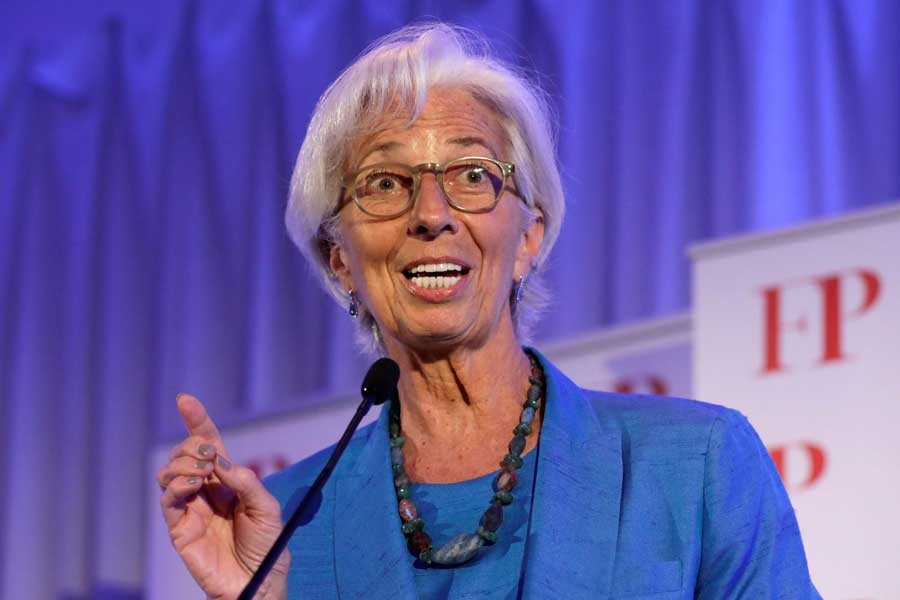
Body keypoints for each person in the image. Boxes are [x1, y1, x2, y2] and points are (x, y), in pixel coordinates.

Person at [157, 23, 821, 599]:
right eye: (386, 184)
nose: (432, 215)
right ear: (339, 257)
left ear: (529, 234)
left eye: (472, 175)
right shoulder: (285, 524)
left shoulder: (694, 465)